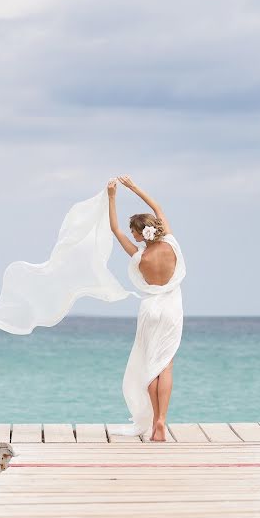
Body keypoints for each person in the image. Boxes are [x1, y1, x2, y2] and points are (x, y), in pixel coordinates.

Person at [106, 175, 186, 442]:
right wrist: (133, 187)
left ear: (142, 234)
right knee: (167, 366)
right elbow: (158, 208)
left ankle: (154, 421)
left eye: (134, 232)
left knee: (151, 366)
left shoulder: (141, 256)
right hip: (171, 308)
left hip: (150, 309)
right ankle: (162, 420)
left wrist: (112, 197)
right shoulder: (172, 244)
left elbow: (115, 230)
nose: (132, 236)